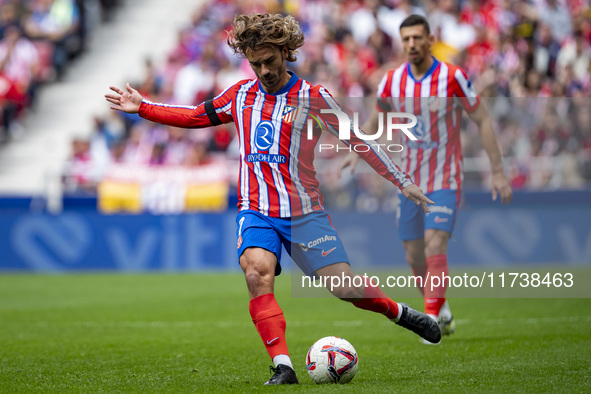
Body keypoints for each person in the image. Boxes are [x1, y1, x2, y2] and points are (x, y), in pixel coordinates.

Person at [105, 13, 441, 385]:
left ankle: (402, 314)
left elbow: (358, 140)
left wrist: (401, 181)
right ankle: (284, 366)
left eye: (270, 60)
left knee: (345, 287)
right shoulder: (240, 95)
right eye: (255, 63)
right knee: (256, 273)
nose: (263, 70)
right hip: (256, 210)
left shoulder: (314, 98)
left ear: (286, 52)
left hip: (304, 213)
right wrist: (144, 107)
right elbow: (195, 116)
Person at [339, 14, 513, 342]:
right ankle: (441, 308)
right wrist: (355, 149)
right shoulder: (392, 81)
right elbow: (377, 119)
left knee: (435, 242)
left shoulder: (453, 77)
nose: (412, 45)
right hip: (409, 182)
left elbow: (483, 120)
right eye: (406, 39)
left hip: (445, 177)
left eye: (418, 38)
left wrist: (499, 172)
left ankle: (430, 317)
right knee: (413, 255)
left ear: (430, 39)